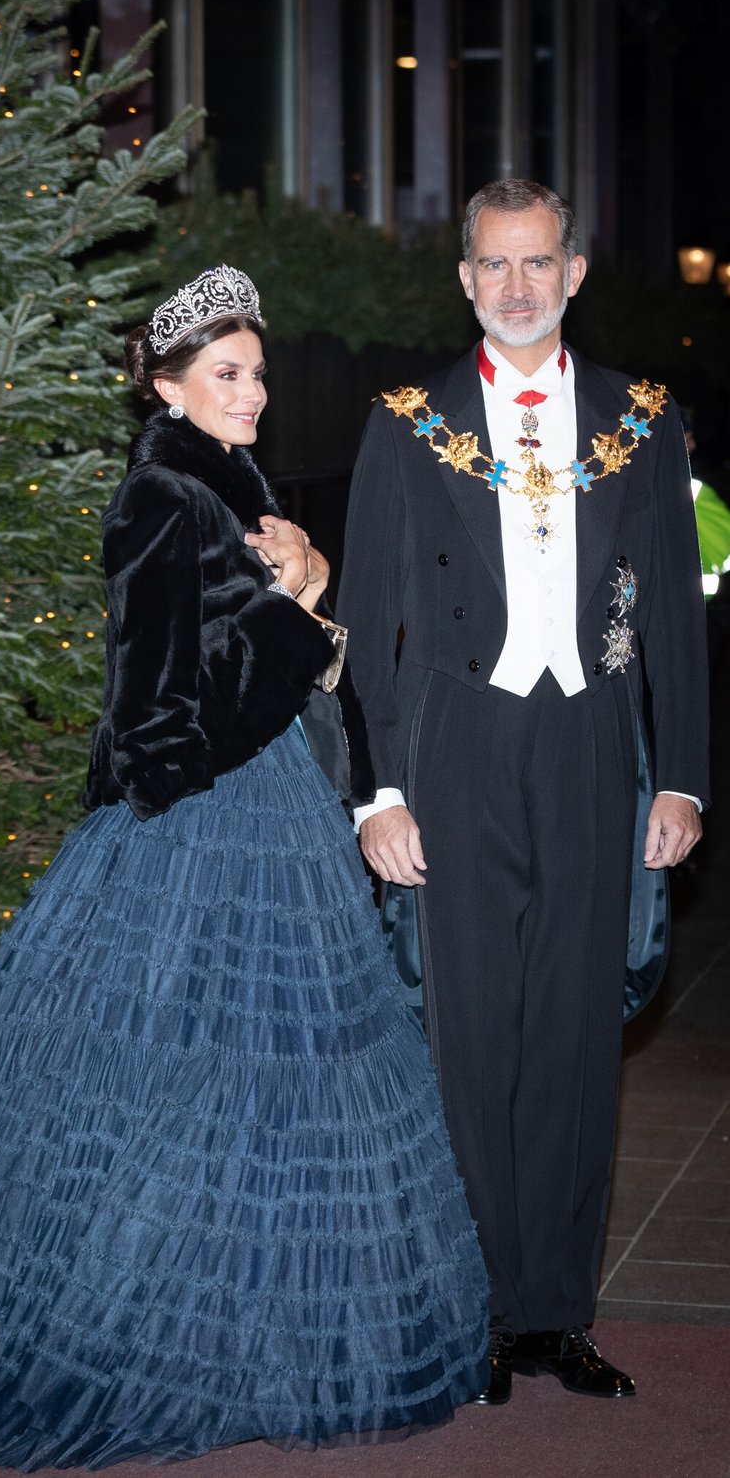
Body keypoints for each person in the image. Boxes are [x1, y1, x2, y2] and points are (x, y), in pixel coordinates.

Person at [0, 266, 489, 1469]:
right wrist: (298, 607)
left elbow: (254, 660)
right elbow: (154, 737)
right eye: (226, 374)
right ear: (166, 386)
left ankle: (249, 1332)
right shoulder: (161, 497)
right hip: (197, 832)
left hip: (272, 814)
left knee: (261, 1089)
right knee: (164, 1091)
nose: (252, 393)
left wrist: (300, 599)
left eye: (257, 373)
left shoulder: (229, 484)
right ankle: (140, 1328)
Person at [337, 182, 709, 1406]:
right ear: (464, 279)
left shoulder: (642, 418)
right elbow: (368, 622)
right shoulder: (405, 422)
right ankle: (480, 1311)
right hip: (453, 740)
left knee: (574, 1033)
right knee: (471, 1034)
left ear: (573, 273)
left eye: (535, 263)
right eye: (493, 266)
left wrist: (682, 776)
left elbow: (674, 616)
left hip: (594, 741)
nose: (515, 286)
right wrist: (378, 792)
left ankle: (556, 1314)